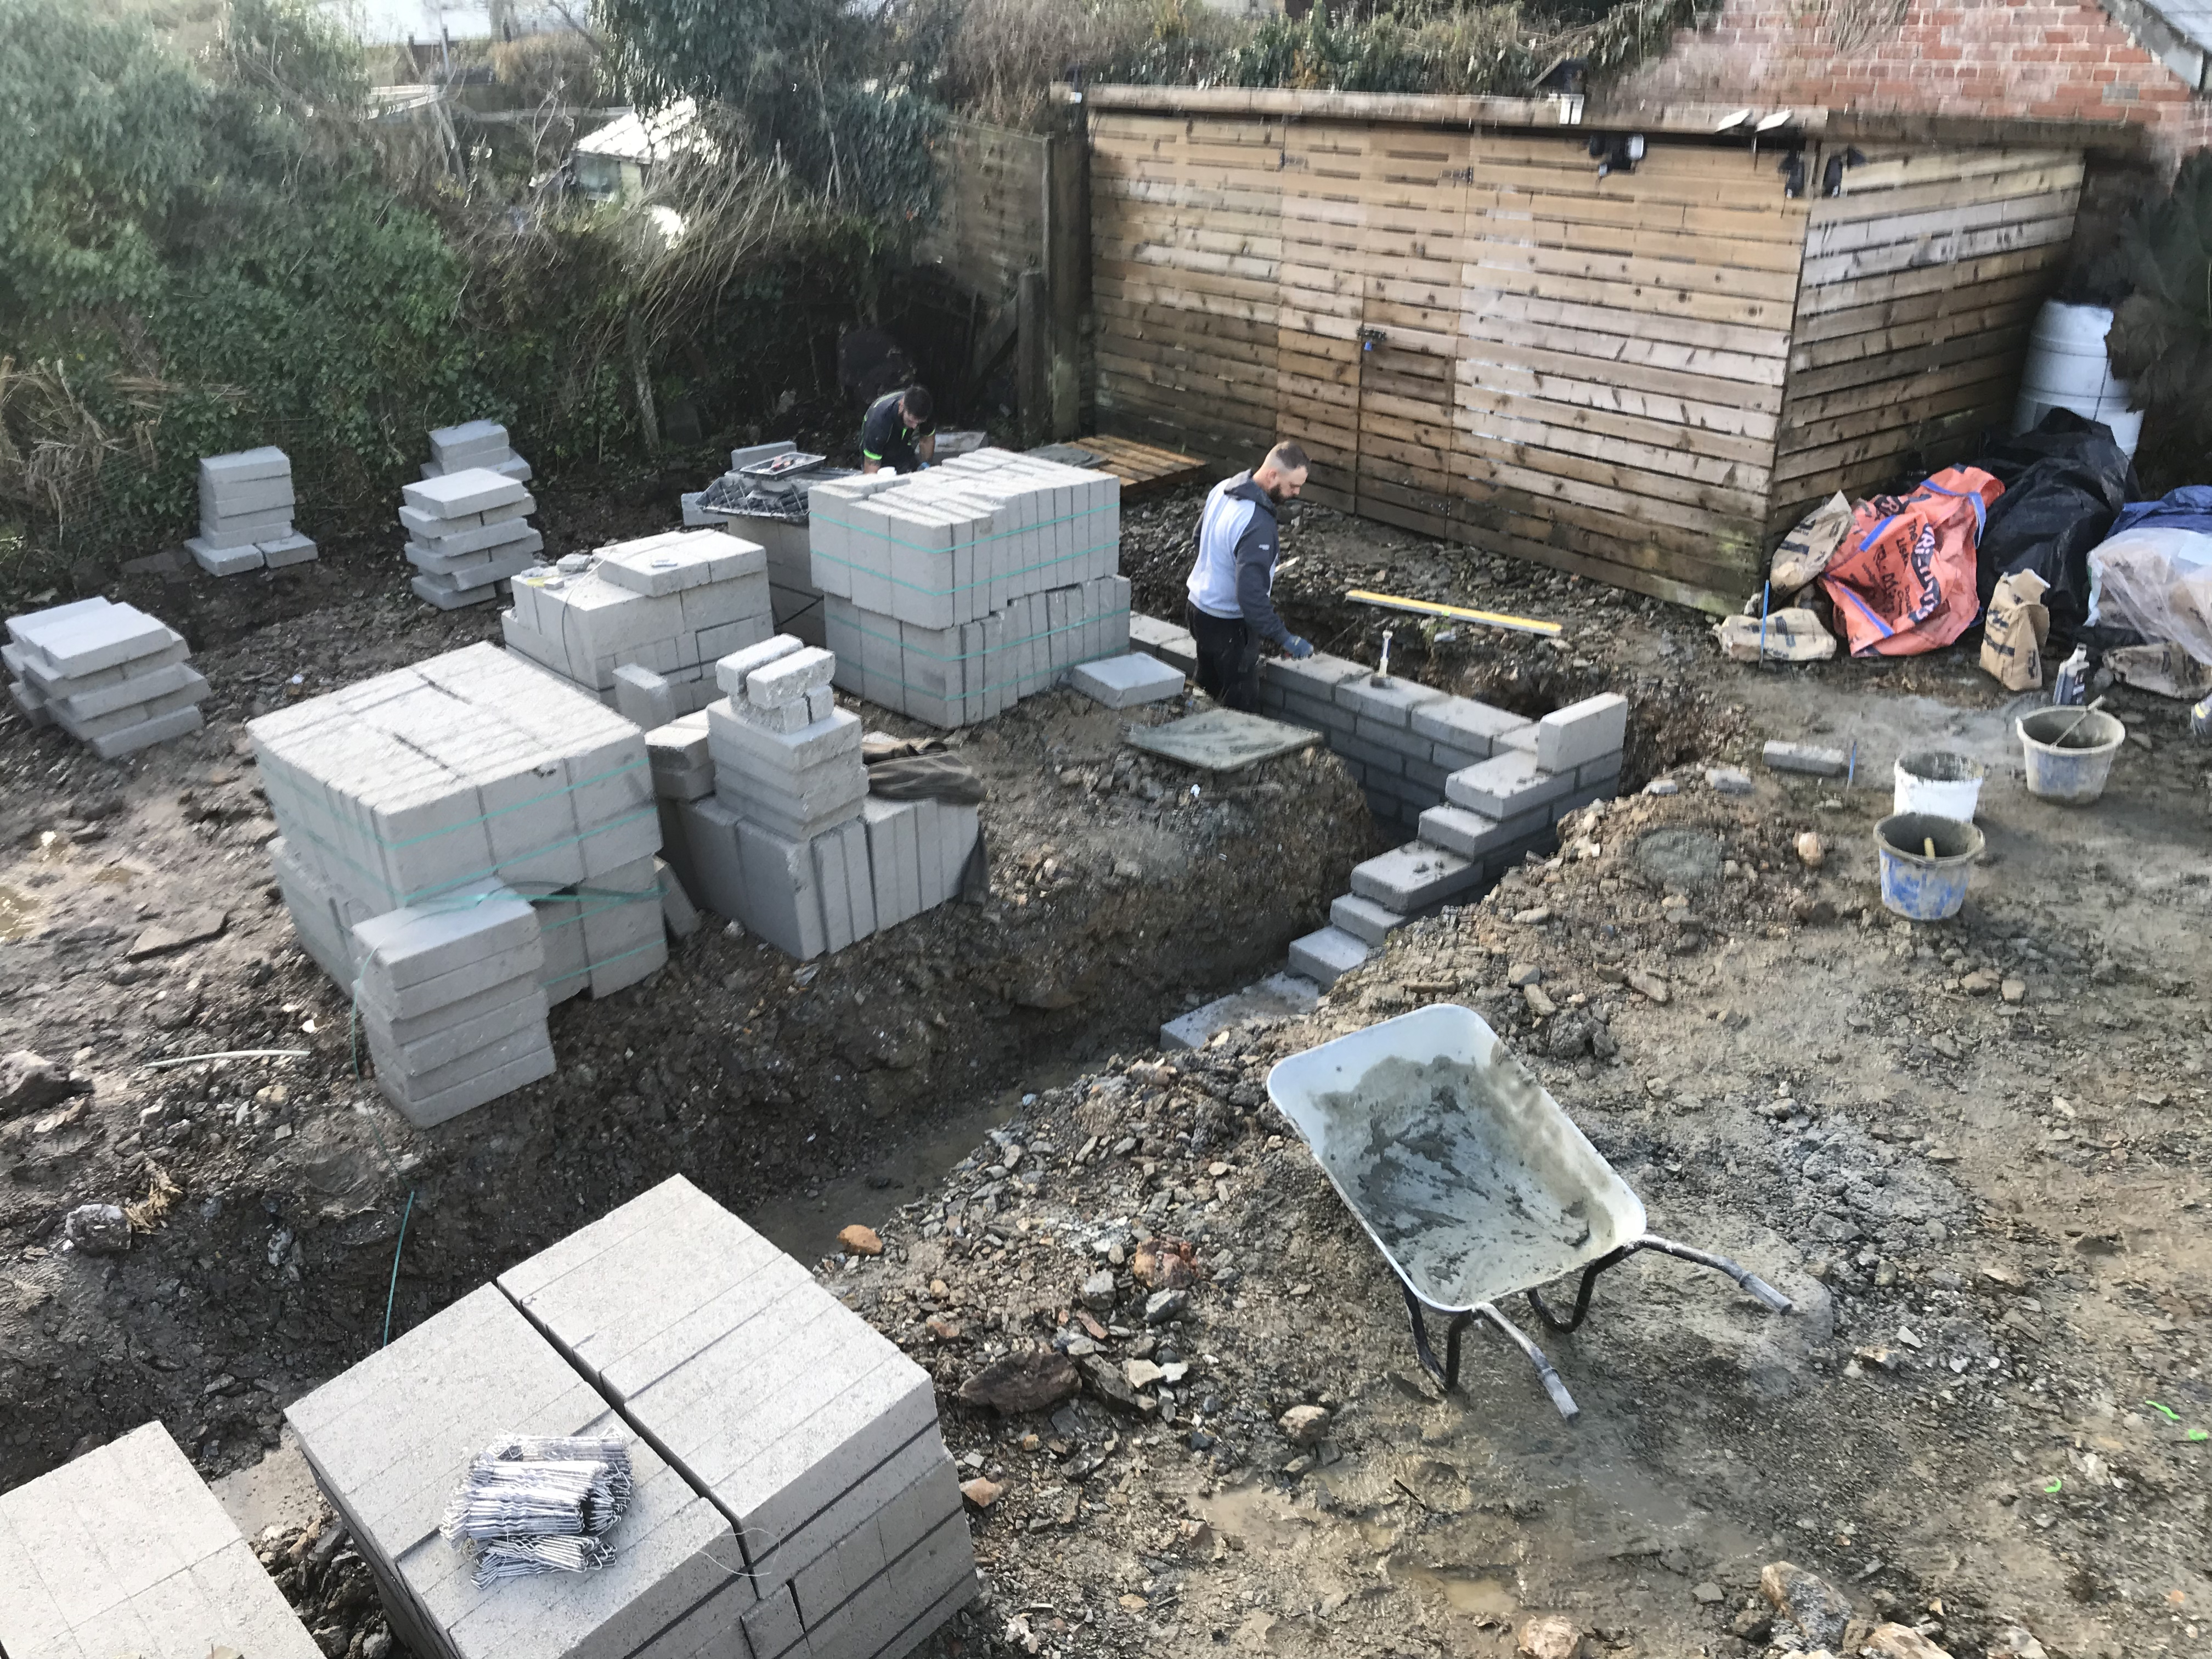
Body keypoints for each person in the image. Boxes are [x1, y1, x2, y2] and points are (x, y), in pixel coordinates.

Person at [1184, 440, 1314, 710]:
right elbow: (1250, 596)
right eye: (1293, 485)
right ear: (1272, 475)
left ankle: (1196, 730)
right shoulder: (1257, 523)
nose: (1297, 492)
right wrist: (1284, 638)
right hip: (1228, 626)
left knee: (1206, 685)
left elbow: (1199, 539)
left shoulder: (1223, 489)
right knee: (1239, 703)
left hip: (1198, 610)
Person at [859, 385, 936, 474]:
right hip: (881, 452)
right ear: (901, 406)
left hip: (905, 449)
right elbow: (871, 466)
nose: (915, 426)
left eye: (919, 423)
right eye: (911, 421)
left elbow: (927, 440)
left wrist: (926, 466)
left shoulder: (925, 411)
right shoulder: (878, 422)